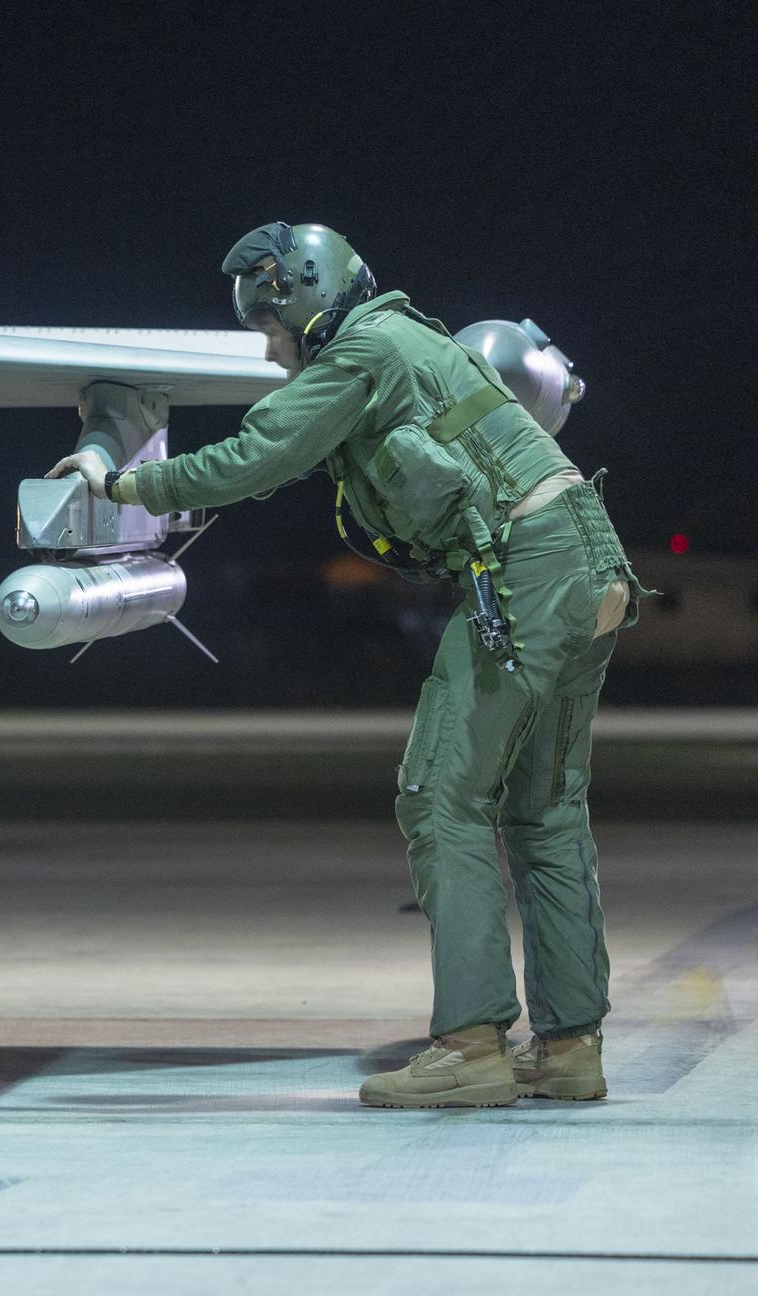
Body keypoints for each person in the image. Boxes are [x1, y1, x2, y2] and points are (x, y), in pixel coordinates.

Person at [46, 222, 651, 1108]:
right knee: (543, 809)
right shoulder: (412, 339)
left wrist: (124, 486)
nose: (267, 346)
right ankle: (569, 1048)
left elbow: (258, 456)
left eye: (269, 325)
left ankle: (472, 1046)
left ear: (302, 298)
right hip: (587, 557)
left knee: (441, 796)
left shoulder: (363, 349)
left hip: (528, 569)